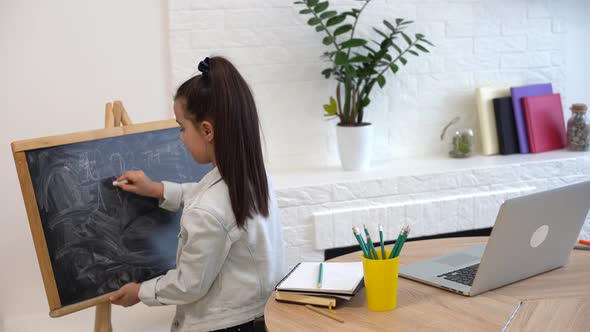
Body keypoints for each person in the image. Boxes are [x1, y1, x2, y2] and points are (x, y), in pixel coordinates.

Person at [109, 56, 285, 332]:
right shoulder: (253, 178)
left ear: (206, 130)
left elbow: (189, 284)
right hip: (259, 317)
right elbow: (213, 203)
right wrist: (157, 189)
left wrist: (140, 292)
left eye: (182, 127)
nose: (180, 137)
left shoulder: (209, 209)